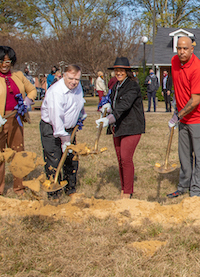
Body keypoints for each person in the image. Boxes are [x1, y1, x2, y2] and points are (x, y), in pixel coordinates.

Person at [0, 46, 37, 200]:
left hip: (15, 120)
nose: (5, 64)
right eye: (1, 61)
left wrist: (27, 100)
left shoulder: (18, 75)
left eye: (8, 61)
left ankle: (19, 187)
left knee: (18, 154)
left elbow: (32, 90)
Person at [166, 36, 200, 198]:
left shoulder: (198, 69)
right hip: (183, 115)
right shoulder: (174, 62)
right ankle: (183, 186)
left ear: (192, 49)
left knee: (199, 156)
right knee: (184, 154)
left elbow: (195, 100)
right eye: (179, 48)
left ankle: (196, 191)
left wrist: (177, 116)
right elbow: (178, 85)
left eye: (185, 48)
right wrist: (176, 104)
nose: (181, 52)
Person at [97, 58, 146, 199]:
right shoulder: (116, 86)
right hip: (117, 127)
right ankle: (123, 187)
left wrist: (109, 118)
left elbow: (124, 106)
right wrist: (106, 107)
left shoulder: (132, 86)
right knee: (120, 159)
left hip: (131, 126)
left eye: (122, 70)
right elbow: (113, 101)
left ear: (127, 71)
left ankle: (128, 192)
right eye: (116, 70)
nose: (118, 73)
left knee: (126, 158)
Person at [40, 65, 86, 199]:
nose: (74, 82)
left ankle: (70, 188)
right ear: (64, 75)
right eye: (71, 78)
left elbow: (79, 102)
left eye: (77, 79)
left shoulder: (78, 87)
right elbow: (56, 117)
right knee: (54, 160)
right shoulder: (56, 91)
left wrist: (81, 114)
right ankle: (54, 193)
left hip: (70, 129)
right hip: (52, 128)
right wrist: (64, 139)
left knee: (72, 159)